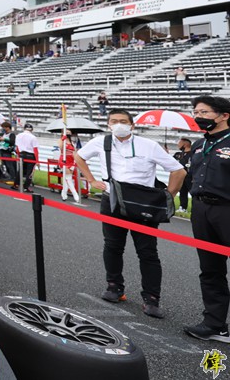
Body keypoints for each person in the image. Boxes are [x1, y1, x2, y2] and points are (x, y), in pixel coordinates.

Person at [74, 109, 186, 319]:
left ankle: (152, 298)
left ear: (132, 125)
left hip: (143, 204)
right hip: (112, 200)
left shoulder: (149, 145)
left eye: (123, 121)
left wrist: (167, 198)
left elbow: (179, 171)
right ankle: (114, 286)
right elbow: (78, 157)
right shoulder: (100, 142)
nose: (119, 124)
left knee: (148, 252)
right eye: (114, 121)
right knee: (112, 246)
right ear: (108, 124)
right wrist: (91, 180)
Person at [183, 95, 230, 342]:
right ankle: (215, 324)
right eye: (196, 112)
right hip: (201, 210)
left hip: (227, 210)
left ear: (224, 116)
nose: (198, 116)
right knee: (210, 269)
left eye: (204, 112)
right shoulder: (199, 144)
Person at [58, 130, 81, 204]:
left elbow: (74, 152)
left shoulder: (72, 142)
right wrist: (63, 139)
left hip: (71, 161)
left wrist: (76, 161)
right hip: (63, 161)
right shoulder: (61, 140)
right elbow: (60, 148)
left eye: (69, 132)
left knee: (67, 179)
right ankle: (75, 194)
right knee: (68, 178)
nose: (68, 133)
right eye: (66, 132)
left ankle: (64, 194)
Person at [15, 123, 40, 193]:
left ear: (24, 128)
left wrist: (19, 155)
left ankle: (16, 184)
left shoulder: (18, 135)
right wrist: (37, 160)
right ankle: (26, 186)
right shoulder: (33, 137)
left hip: (22, 154)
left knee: (20, 170)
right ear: (31, 129)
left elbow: (17, 148)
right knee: (30, 172)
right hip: (31, 155)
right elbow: (35, 150)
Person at [174, 136, 194, 213]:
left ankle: (195, 209)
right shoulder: (178, 154)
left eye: (180, 143)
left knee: (193, 194)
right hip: (181, 177)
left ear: (185, 144)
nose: (178, 144)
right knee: (182, 192)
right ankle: (183, 207)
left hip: (190, 177)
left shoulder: (193, 154)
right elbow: (171, 160)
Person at [0, 122, 18, 187]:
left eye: (4, 127)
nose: (3, 129)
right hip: (1, 150)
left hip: (7, 151)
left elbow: (12, 142)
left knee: (9, 165)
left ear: (8, 127)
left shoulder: (12, 134)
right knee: (2, 165)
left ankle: (12, 178)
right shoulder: (2, 134)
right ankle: (3, 177)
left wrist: (4, 139)